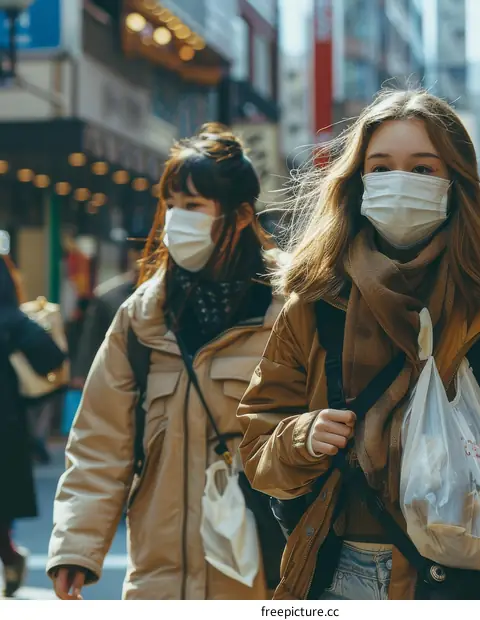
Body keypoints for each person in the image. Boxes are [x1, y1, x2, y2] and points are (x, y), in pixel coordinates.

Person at [237, 89, 480, 601]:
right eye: (380, 168)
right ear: (357, 182)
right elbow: (259, 443)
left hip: (460, 573)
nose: (399, 182)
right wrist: (304, 436)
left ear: (457, 182)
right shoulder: (315, 303)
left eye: (423, 169)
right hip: (334, 571)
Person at [46, 124, 283, 600]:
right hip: (160, 575)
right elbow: (100, 440)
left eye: (193, 206)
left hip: (262, 573)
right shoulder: (142, 316)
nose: (177, 220)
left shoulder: (289, 309)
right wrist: (76, 547)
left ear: (239, 216)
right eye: (171, 205)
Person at [0, 255, 66, 597]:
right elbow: (52, 358)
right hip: (7, 429)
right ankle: (11, 558)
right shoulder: (12, 320)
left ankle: (10, 558)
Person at [70, 242, 144, 387]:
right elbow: (92, 339)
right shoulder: (108, 297)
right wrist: (81, 373)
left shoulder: (168, 293)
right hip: (117, 377)